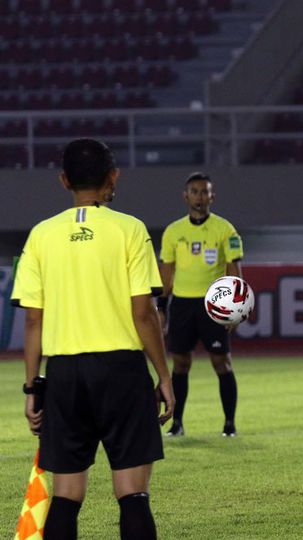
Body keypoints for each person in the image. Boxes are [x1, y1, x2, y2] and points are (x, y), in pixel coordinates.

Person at [12, 138, 175, 540]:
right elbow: (143, 313)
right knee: (133, 494)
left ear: (64, 179)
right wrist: (165, 376)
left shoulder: (40, 235)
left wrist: (33, 387)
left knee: (66, 496)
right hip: (122, 370)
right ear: (113, 176)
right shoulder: (130, 230)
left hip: (65, 373)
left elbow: (33, 322)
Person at [157, 171, 244, 437]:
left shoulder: (225, 229)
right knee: (180, 364)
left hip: (213, 306)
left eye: (204, 191)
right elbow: (166, 274)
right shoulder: (173, 231)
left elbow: (234, 270)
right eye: (194, 192)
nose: (199, 196)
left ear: (212, 196)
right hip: (182, 306)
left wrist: (235, 307)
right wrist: (161, 308)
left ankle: (229, 425)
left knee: (222, 363)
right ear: (186, 196)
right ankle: (177, 423)